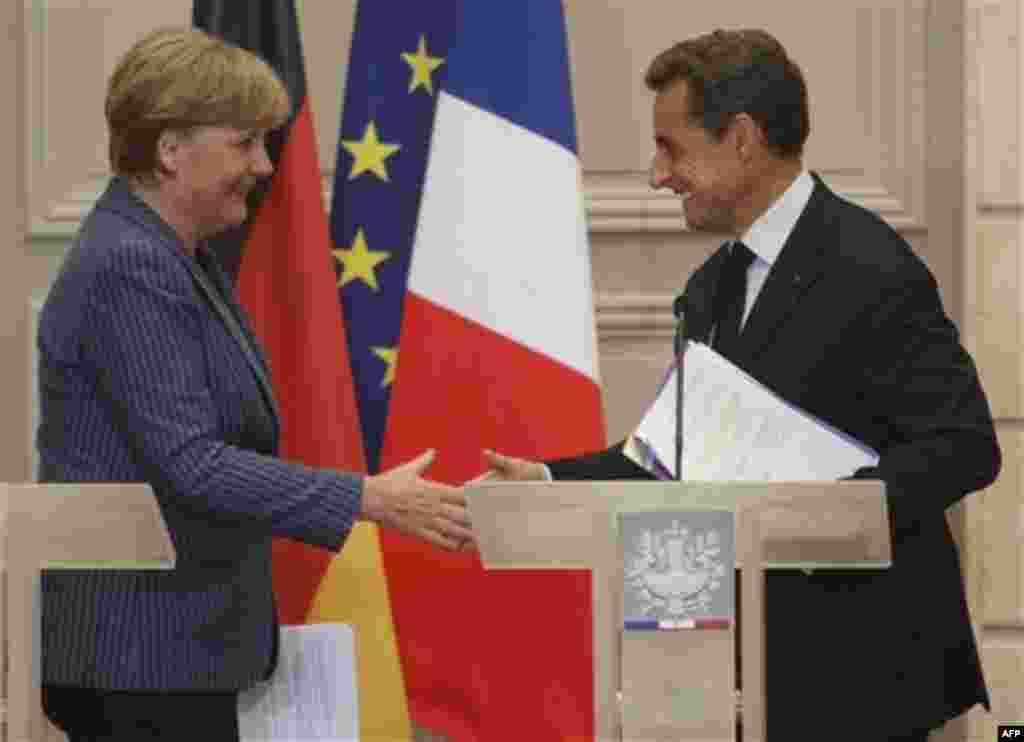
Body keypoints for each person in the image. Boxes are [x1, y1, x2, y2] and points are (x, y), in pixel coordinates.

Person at [482, 28, 1000, 742]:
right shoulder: (712, 287)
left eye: (672, 147)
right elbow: (674, 458)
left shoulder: (871, 266)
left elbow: (966, 445)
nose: (659, 175)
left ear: (743, 138)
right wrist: (546, 479)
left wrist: (822, 510)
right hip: (747, 679)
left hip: (867, 680)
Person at [36, 27, 472, 741]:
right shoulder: (130, 265)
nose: (265, 165)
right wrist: (367, 497)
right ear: (171, 149)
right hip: (140, 655)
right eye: (244, 143)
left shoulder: (176, 253)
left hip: (174, 650)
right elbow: (191, 464)